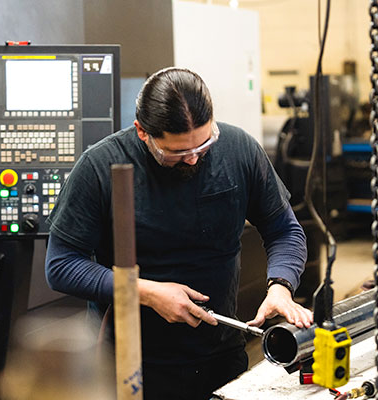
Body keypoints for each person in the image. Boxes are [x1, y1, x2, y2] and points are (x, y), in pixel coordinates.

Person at [45, 67, 312, 400]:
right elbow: (61, 264)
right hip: (131, 363)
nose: (193, 159)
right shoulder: (100, 167)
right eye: (176, 153)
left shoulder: (240, 150)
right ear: (142, 131)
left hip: (221, 354)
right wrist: (144, 291)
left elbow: (284, 229)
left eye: (203, 145)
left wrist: (281, 286)